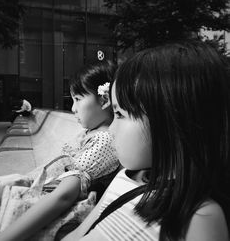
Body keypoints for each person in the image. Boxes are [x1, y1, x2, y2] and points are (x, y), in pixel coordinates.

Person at [63, 41, 230, 241]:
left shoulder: (199, 217)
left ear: (170, 121)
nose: (112, 129)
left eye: (120, 114)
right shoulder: (126, 177)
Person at [0, 61, 120, 241]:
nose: (72, 109)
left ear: (105, 100)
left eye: (77, 99)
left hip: (44, 200)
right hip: (41, 190)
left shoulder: (103, 140)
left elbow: (64, 195)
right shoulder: (93, 134)